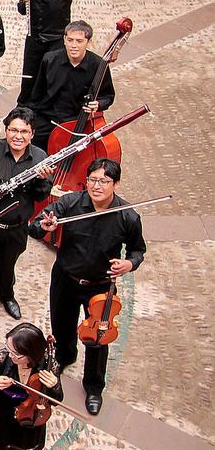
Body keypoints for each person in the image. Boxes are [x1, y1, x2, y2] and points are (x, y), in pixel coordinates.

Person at [29, 158, 146, 415]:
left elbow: (138, 250)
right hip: (66, 278)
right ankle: (65, 356)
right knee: (62, 325)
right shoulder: (71, 202)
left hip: (101, 285)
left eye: (104, 181)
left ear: (115, 183)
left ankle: (93, 387)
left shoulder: (127, 215)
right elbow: (36, 225)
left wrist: (129, 264)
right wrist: (43, 226)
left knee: (97, 338)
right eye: (93, 179)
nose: (97, 186)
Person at [0, 104, 53, 319]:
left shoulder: (40, 157)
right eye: (13, 130)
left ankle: (5, 294)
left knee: (8, 265)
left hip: (17, 227)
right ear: (6, 130)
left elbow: (41, 196)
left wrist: (42, 180)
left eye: (24, 131)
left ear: (32, 134)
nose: (18, 136)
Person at [24, 20, 114, 151]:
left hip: (77, 123)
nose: (74, 45)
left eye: (79, 41)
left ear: (88, 42)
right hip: (47, 120)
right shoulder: (49, 59)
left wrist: (98, 104)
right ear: (64, 39)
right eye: (70, 40)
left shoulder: (99, 65)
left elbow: (108, 96)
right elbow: (37, 95)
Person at [17, 0, 92, 104]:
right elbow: (23, 11)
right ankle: (24, 108)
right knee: (29, 77)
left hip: (55, 40)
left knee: (51, 78)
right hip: (34, 39)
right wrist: (23, 1)